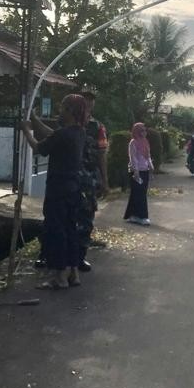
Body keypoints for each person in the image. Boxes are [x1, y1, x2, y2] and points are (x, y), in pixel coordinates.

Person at [21, 94, 88, 289]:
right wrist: (35, 120)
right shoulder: (78, 132)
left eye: (63, 108)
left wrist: (26, 130)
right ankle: (73, 272)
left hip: (58, 190)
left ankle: (59, 276)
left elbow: (40, 148)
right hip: (73, 188)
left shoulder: (64, 135)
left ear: (70, 111)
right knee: (70, 229)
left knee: (56, 231)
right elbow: (53, 135)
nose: (60, 111)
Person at [78, 92, 104, 271]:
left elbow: (102, 154)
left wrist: (105, 179)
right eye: (84, 105)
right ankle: (49, 256)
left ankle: (80, 256)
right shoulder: (65, 123)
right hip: (67, 177)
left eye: (90, 106)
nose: (87, 109)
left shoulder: (97, 127)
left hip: (89, 178)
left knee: (86, 218)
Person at [124, 122, 154, 226]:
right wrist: (136, 172)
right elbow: (133, 158)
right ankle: (142, 216)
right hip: (136, 171)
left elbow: (148, 155)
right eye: (142, 130)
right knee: (139, 194)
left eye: (145, 130)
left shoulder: (145, 142)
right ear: (137, 131)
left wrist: (150, 165)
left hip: (144, 170)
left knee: (141, 193)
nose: (144, 132)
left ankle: (133, 215)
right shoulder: (133, 142)